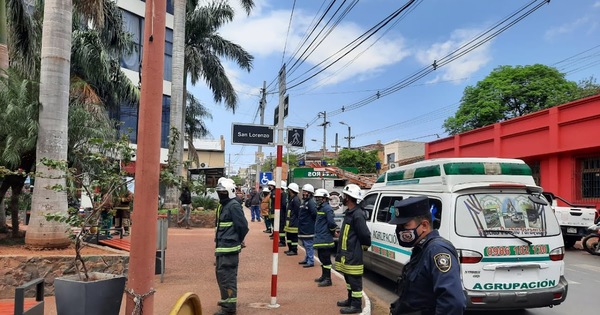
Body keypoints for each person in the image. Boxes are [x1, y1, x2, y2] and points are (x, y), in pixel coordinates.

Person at [388, 196, 465, 315]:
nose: (399, 230)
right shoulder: (422, 249)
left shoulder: (437, 251)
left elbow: (453, 303)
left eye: (404, 226)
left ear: (424, 225)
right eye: (398, 226)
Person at [334, 184, 371, 314]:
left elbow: (365, 235)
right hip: (346, 253)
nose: (343, 197)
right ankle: (350, 300)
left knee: (355, 281)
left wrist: (364, 246)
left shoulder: (358, 215)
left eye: (345, 196)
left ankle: (356, 305)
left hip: (353, 254)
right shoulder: (350, 213)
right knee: (349, 279)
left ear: (349, 198)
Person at [214, 179, 249, 315]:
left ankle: (229, 308)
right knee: (222, 276)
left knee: (227, 277)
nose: (221, 194)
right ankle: (226, 302)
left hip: (229, 249)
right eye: (219, 192)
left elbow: (243, 227)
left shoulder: (233, 205)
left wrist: (237, 240)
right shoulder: (224, 205)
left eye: (223, 192)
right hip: (222, 248)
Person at [313, 188, 338, 286]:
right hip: (320, 238)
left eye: (319, 198)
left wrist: (333, 232)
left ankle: (328, 279)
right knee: (321, 258)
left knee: (326, 259)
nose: (317, 200)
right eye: (317, 198)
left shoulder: (327, 208)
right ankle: (324, 276)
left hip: (325, 239)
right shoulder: (321, 208)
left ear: (324, 199)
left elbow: (331, 223)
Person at [298, 184, 317, 267]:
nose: (304, 193)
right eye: (304, 192)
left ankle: (310, 261)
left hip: (308, 228)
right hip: (303, 227)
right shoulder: (305, 202)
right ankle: (307, 258)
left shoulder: (311, 202)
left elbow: (314, 214)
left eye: (306, 192)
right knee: (305, 244)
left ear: (310, 193)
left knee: (309, 245)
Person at [284, 183, 301, 255]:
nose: (288, 191)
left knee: (293, 237)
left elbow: (297, 212)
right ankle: (290, 249)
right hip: (290, 222)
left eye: (288, 190)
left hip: (294, 222)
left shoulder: (296, 200)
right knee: (289, 236)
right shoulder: (292, 199)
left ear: (291, 190)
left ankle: (294, 250)